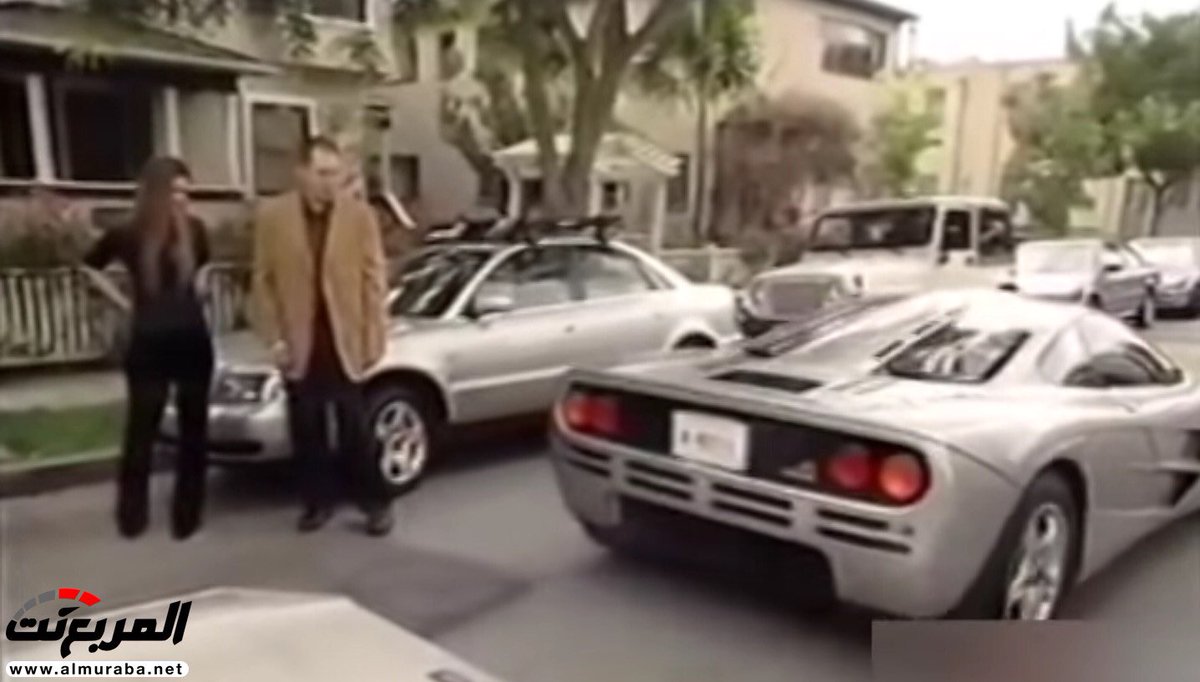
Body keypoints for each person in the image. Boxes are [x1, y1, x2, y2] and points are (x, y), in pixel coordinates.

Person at [249, 136, 392, 536]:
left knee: (355, 429)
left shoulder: (359, 217)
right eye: (322, 173)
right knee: (307, 429)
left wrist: (375, 336)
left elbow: (374, 279)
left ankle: (375, 504)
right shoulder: (273, 217)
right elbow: (262, 281)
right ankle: (317, 502)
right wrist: (274, 337)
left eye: (336, 173)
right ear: (301, 173)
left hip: (344, 340)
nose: (330, 182)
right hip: (299, 343)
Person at [82, 157, 214, 541]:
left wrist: (200, 288)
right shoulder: (129, 232)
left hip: (192, 338)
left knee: (194, 432)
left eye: (187, 193)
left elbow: (205, 268)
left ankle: (187, 516)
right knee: (142, 430)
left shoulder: (195, 230)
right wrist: (123, 302)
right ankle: (132, 516)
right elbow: (89, 266)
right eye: (175, 192)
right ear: (156, 193)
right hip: (150, 341)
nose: (183, 200)